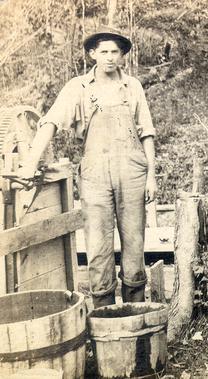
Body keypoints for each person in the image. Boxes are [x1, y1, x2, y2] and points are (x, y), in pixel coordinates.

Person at [17, 27, 157, 307]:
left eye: (114, 52)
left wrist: (151, 175)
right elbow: (51, 122)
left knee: (134, 245)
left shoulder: (133, 87)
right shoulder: (77, 88)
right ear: (93, 54)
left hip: (132, 172)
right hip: (94, 175)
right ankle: (103, 319)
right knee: (98, 247)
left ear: (122, 56)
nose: (109, 57)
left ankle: (137, 316)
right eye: (103, 51)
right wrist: (31, 161)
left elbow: (147, 133)